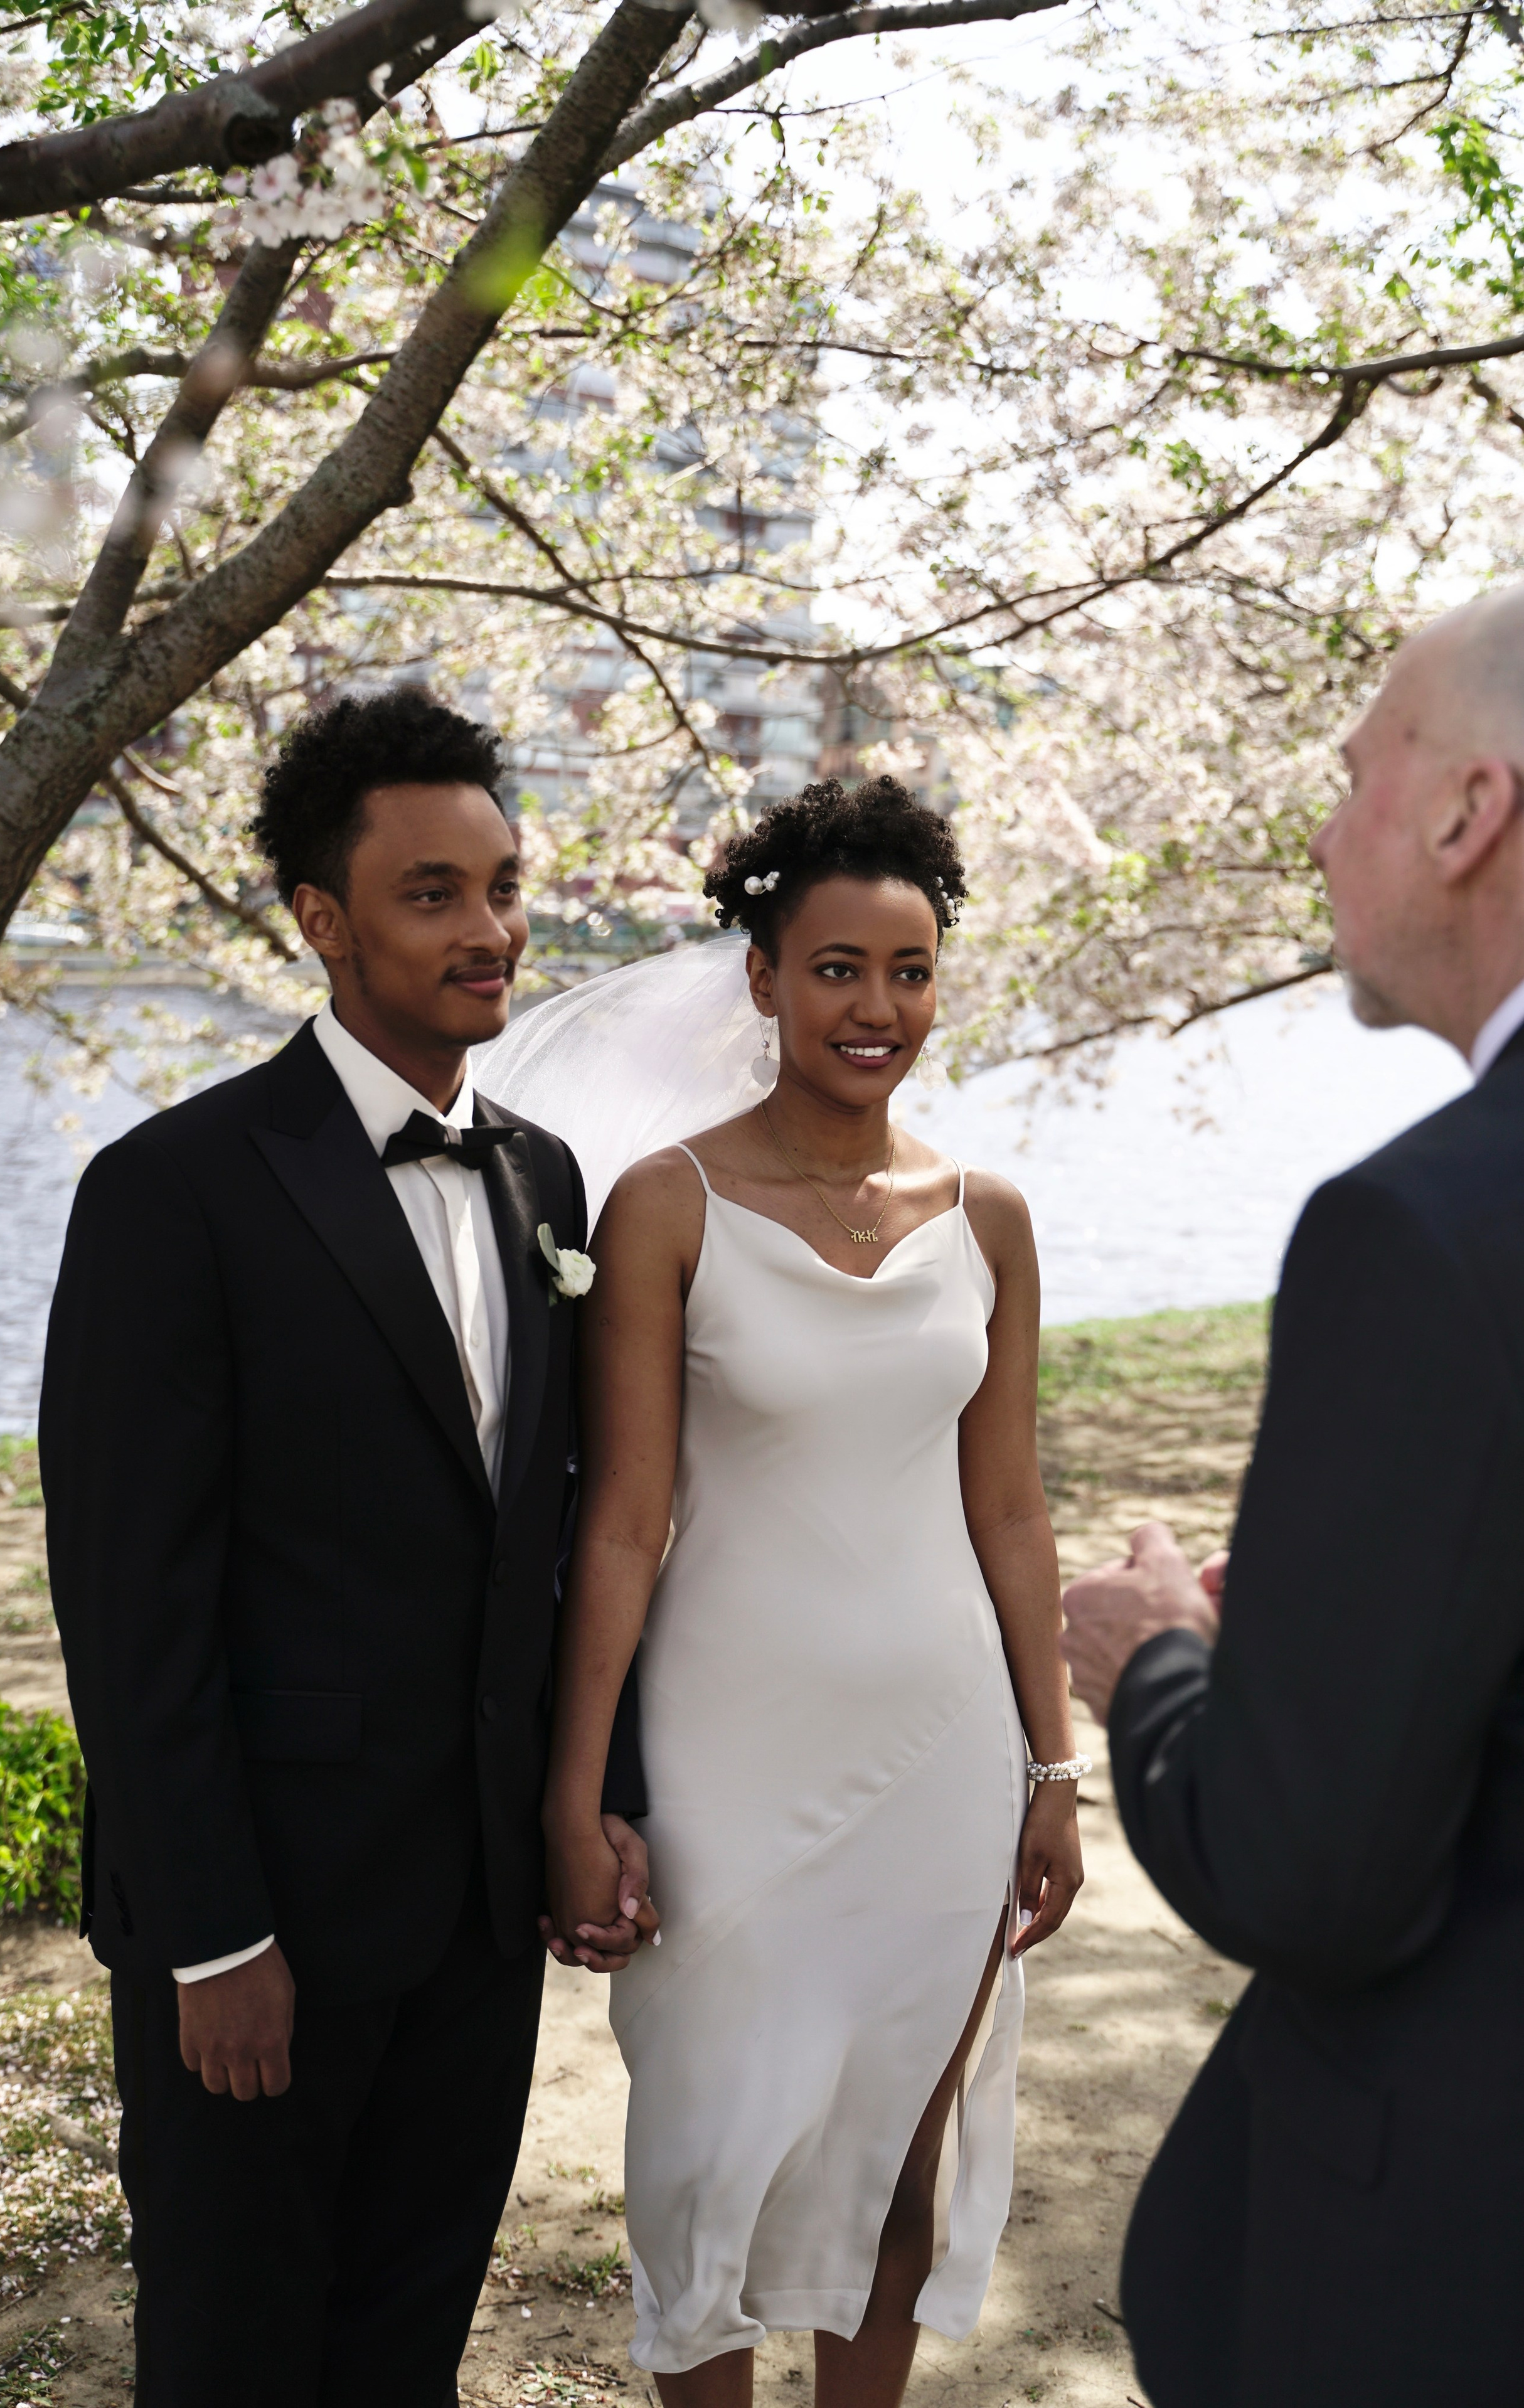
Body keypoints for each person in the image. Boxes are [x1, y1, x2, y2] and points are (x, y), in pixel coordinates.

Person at [39, 688, 652, 2408]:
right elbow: (127, 1606)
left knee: (402, 2357)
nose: (494, 931)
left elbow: (562, 1533)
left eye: (507, 885)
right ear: (325, 924)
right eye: (436, 894)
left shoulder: (547, 1182)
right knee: (235, 2364)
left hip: (471, 1921)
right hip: (266, 1932)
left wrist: (601, 1798)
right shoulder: (174, 1189)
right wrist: (212, 1938)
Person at [538, 777, 1085, 2408]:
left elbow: (1011, 1511)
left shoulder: (988, 1217)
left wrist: (1054, 1772)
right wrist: (578, 1797)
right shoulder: (668, 1206)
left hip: (945, 1761)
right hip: (728, 1767)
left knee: (892, 2179)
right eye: (837, 968)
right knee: (705, 2163)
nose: (876, 1008)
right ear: (764, 975)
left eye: (908, 971)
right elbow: (624, 1524)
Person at [1060, 587, 1524, 2407]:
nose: (1323, 835)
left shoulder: (1422, 1231)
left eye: (1352, 780)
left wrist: (1161, 1667)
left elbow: (1309, 1873)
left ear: (1468, 812)